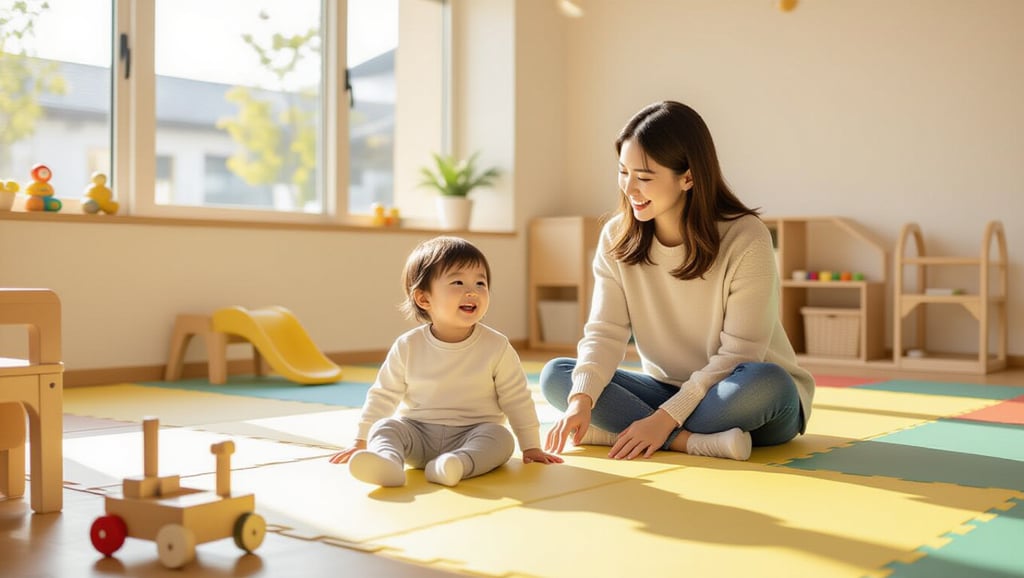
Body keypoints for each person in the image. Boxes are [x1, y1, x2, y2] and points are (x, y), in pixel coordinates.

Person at [542, 100, 815, 462]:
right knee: (559, 376)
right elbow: (604, 332)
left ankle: (625, 432)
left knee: (768, 382)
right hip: (665, 390)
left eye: (644, 176)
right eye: (623, 172)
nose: (630, 188)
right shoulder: (615, 237)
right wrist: (581, 401)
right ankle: (692, 441)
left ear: (688, 177)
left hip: (739, 392)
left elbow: (740, 354)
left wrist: (663, 419)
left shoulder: (746, 237)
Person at [330, 236, 563, 487]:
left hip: (473, 434)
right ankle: (388, 463)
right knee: (386, 427)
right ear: (424, 299)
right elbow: (383, 395)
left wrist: (531, 446)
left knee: (501, 438)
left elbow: (517, 398)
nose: (472, 291)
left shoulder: (497, 347)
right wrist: (360, 439)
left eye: (481, 283)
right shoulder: (408, 346)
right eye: (458, 282)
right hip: (417, 433)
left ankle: (455, 465)